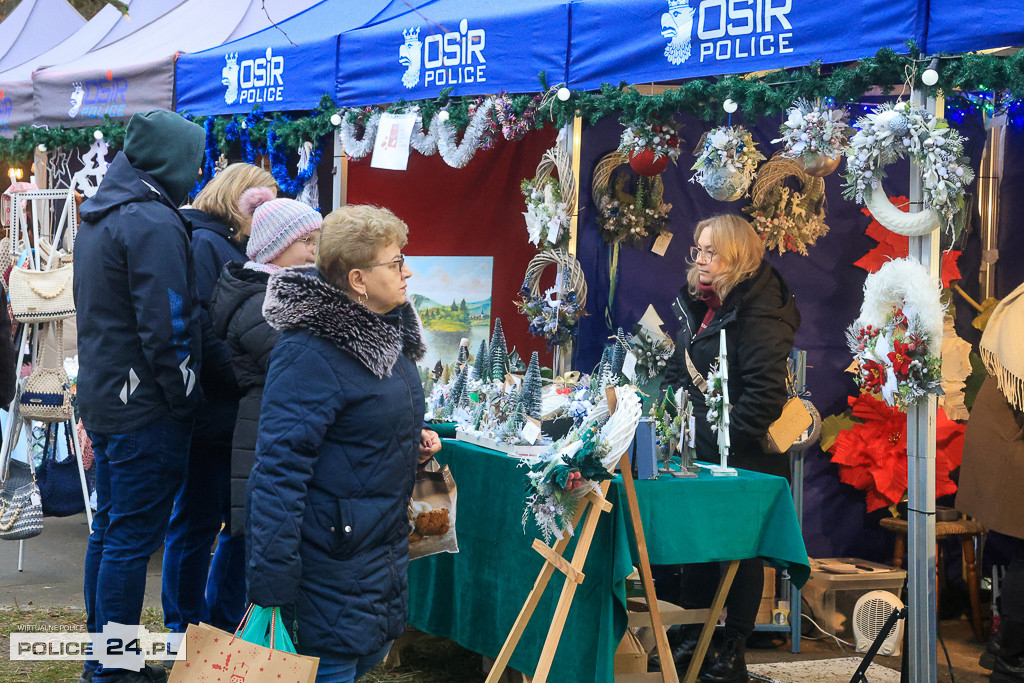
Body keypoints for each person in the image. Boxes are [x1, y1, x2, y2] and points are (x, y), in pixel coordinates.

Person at [244, 204, 441, 683]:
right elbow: (277, 469)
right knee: (331, 665)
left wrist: (405, 439)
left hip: (373, 550)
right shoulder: (309, 351)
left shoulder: (386, 335)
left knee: (362, 659)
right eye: (395, 263)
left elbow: (359, 416)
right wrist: (271, 583)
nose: (406, 270)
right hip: (328, 559)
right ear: (358, 279)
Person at [73, 110, 205, 683]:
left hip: (107, 398)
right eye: (194, 159)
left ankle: (104, 660)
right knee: (126, 539)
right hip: (142, 407)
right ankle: (113, 671)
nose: (198, 171)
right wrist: (186, 398)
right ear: (174, 161)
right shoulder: (150, 221)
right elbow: (169, 325)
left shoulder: (102, 214)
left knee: (110, 533)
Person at [659, 214, 800, 683]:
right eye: (697, 249)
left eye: (710, 252)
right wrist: (676, 428)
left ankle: (732, 653)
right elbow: (684, 368)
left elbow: (763, 397)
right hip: (701, 452)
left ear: (737, 257)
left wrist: (720, 444)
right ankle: (692, 640)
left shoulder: (762, 311)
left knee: (741, 554)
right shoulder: (702, 303)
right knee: (698, 545)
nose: (699, 260)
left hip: (746, 458)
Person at [161, 164, 277, 636]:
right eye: (262, 204)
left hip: (228, 410)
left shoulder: (219, 243)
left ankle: (212, 625)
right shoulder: (207, 243)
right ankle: (184, 630)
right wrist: (244, 379)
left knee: (224, 522)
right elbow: (207, 331)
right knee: (197, 523)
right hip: (213, 411)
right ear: (239, 200)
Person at [209, 188, 323, 542]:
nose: (315, 251)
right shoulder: (262, 302)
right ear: (278, 245)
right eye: (308, 241)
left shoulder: (285, 292)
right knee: (261, 543)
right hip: (265, 431)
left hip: (276, 425)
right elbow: (300, 365)